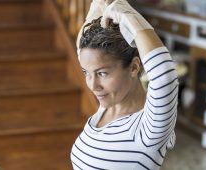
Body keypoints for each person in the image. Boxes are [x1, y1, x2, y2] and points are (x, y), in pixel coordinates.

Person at [70, 0, 179, 169]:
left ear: (134, 67)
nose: (93, 85)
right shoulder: (107, 107)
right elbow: (85, 53)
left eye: (102, 73)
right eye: (86, 73)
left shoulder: (148, 130)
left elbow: (164, 75)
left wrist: (127, 14)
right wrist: (97, 7)